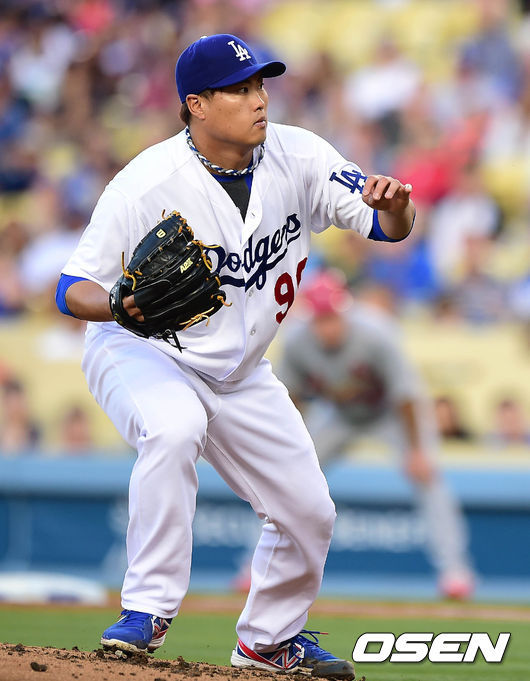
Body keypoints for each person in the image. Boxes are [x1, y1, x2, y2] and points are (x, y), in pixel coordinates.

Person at [55, 33, 415, 675]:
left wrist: (398, 209)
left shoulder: (301, 155)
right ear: (195, 104)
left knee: (309, 511)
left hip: (240, 371)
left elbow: (385, 227)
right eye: (239, 89)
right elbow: (69, 288)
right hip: (145, 349)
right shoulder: (145, 183)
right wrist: (115, 305)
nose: (259, 99)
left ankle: (268, 641)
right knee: (173, 429)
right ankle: (146, 609)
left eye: (260, 85)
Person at [278, 270, 475, 600]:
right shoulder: (297, 340)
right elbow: (291, 398)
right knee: (288, 480)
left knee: (428, 478)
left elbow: (406, 395)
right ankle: (257, 568)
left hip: (391, 414)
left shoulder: (376, 332)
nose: (328, 327)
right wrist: (292, 448)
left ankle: (455, 571)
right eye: (321, 319)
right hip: (340, 415)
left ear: (345, 310)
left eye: (332, 317)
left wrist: (416, 451)